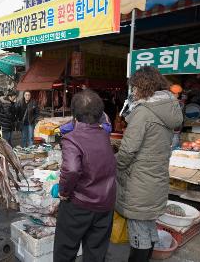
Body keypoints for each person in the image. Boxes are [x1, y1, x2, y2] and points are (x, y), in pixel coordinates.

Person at [116, 66, 183, 262]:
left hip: (139, 181)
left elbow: (128, 150)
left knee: (138, 232)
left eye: (135, 87)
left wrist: (117, 166)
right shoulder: (169, 106)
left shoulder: (144, 112)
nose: (133, 92)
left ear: (143, 86)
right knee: (149, 228)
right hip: (157, 177)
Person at [53, 89, 117, 262]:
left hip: (79, 204)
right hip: (105, 203)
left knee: (65, 251)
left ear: (75, 114)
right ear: (100, 113)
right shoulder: (104, 133)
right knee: (96, 253)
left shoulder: (72, 138)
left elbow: (72, 169)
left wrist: (64, 192)